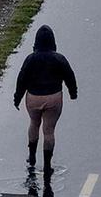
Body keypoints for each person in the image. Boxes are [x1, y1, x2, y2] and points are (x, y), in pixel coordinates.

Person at [13, 25, 78, 175]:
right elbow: (70, 76)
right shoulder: (59, 58)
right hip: (53, 97)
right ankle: (47, 165)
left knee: (34, 124)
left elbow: (21, 79)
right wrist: (73, 93)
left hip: (33, 98)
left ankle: (32, 157)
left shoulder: (30, 59)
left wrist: (17, 98)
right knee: (49, 131)